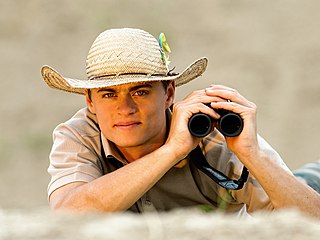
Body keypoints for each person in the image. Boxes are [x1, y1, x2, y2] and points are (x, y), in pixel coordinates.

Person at [41, 28, 320, 217]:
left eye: (140, 91)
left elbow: (310, 220)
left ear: (169, 94)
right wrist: (172, 150)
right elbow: (69, 214)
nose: (124, 108)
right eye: (109, 94)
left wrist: (252, 155)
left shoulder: (212, 135)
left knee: (308, 180)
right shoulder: (79, 134)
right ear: (90, 102)